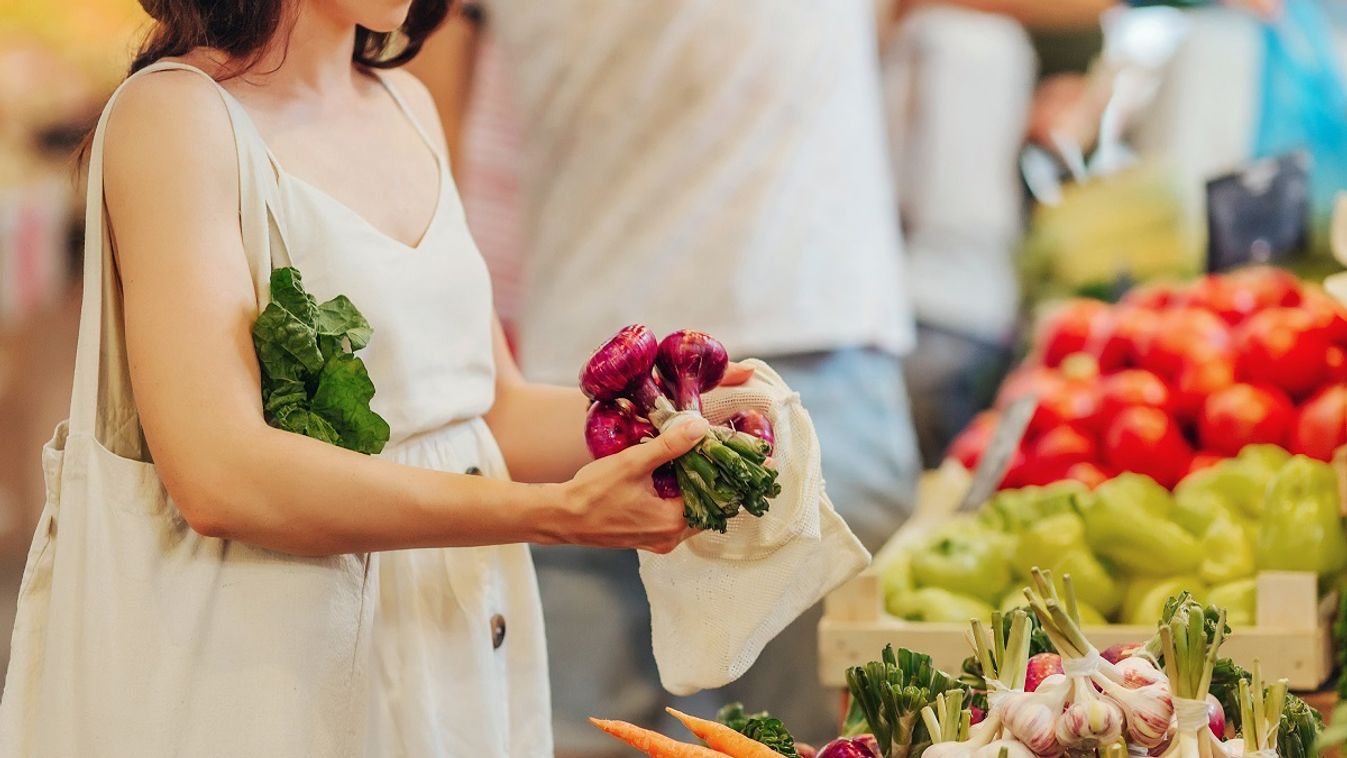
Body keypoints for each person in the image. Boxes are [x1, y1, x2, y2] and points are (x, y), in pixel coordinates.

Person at [0, 1, 755, 755]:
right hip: (275, 673)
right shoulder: (174, 118)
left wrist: (685, 418)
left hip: (455, 645)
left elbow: (485, 414)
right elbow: (218, 474)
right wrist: (551, 514)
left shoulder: (407, 104)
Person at [413, 2, 919, 751]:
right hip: (578, 404)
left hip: (807, 361)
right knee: (572, 732)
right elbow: (426, 127)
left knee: (823, 734)